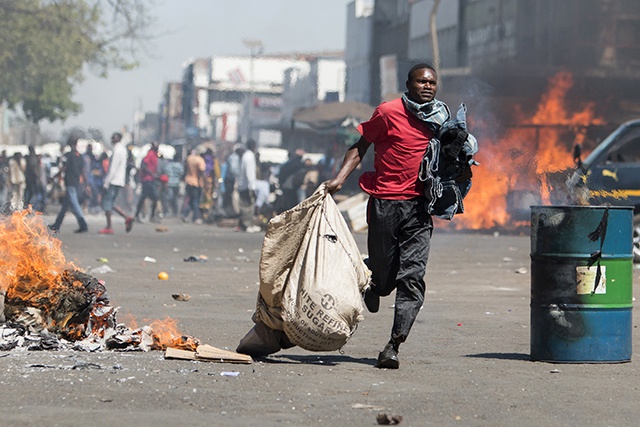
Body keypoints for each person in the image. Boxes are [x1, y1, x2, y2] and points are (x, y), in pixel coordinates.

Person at [324, 63, 452, 369]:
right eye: (421, 81)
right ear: (408, 85)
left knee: (412, 276)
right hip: (384, 203)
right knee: (384, 277)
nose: (427, 86)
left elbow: (454, 159)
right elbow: (362, 144)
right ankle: (372, 280)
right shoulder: (388, 112)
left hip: (420, 208)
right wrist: (340, 178)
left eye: (432, 82)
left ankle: (393, 345)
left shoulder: (442, 119)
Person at [49, 136, 90, 233]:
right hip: (76, 183)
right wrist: (86, 183)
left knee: (75, 204)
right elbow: (83, 171)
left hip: (70, 182)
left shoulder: (68, 155)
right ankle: (57, 224)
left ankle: (83, 224)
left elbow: (64, 168)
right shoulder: (79, 156)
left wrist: (54, 176)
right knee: (65, 206)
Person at [100, 132, 134, 234]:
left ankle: (109, 226)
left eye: (113, 138)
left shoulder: (117, 150)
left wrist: (106, 182)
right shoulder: (123, 150)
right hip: (119, 180)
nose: (111, 140)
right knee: (111, 203)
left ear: (118, 139)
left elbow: (113, 168)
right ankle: (127, 218)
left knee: (106, 203)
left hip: (113, 180)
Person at [236, 139, 260, 233]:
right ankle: (248, 225)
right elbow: (249, 173)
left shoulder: (246, 156)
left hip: (243, 185)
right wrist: (252, 187)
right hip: (247, 186)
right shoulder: (249, 157)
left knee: (246, 206)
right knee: (248, 206)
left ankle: (245, 224)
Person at [134, 142, 161, 223]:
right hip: (148, 180)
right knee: (153, 198)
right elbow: (144, 165)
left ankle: (139, 215)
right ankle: (150, 216)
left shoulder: (155, 155)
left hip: (150, 179)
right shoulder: (150, 154)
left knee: (145, 198)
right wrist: (151, 173)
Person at [180, 145, 206, 224]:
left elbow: (185, 168)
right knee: (195, 201)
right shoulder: (200, 160)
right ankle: (196, 217)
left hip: (188, 181)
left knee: (191, 200)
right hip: (196, 183)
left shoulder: (189, 158)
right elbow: (202, 171)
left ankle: (184, 214)